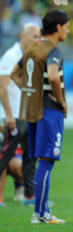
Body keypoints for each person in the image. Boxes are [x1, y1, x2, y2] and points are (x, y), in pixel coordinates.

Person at [11, 9, 70, 224]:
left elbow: (16, 75)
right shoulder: (53, 51)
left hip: (33, 111)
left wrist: (31, 91)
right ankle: (41, 213)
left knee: (41, 160)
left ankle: (41, 210)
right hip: (49, 111)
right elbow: (54, 76)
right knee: (47, 161)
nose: (68, 31)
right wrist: (60, 100)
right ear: (58, 27)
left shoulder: (33, 48)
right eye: (67, 26)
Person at [0, 23, 40, 204]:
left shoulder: (28, 57)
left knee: (30, 156)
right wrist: (8, 115)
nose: (37, 40)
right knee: (5, 156)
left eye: (39, 36)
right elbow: (2, 87)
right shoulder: (11, 56)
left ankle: (29, 195)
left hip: (25, 115)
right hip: (13, 116)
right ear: (23, 37)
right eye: (34, 36)